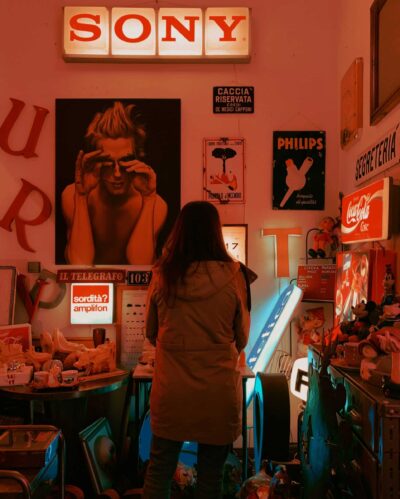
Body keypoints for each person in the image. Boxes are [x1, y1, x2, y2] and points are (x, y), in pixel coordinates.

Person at [142, 201, 251, 499]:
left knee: (159, 471)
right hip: (217, 393)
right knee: (210, 479)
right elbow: (241, 337)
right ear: (216, 233)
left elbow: (150, 332)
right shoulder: (234, 275)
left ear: (180, 231)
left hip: (172, 391)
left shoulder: (163, 274)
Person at [61, 101, 167, 265]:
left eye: (125, 162)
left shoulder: (157, 205)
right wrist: (81, 197)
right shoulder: (71, 195)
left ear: (137, 160)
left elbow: (140, 266)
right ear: (95, 162)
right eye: (108, 163)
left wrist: (148, 199)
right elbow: (79, 264)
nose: (117, 174)